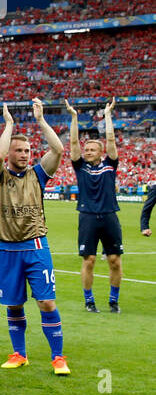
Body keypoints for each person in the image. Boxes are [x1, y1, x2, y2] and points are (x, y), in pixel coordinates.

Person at [0, 99, 68, 375]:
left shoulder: (38, 175)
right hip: (6, 248)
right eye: (19, 150)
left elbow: (58, 150)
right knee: (13, 303)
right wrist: (9, 124)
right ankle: (19, 353)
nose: (24, 154)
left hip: (35, 245)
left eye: (27, 150)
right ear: (9, 151)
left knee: (46, 301)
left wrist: (41, 120)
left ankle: (58, 357)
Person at [67, 98, 122, 313]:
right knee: (89, 260)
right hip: (87, 216)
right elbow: (72, 144)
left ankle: (113, 300)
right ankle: (89, 301)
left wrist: (107, 115)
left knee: (115, 260)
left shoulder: (110, 165)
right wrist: (74, 117)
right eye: (86, 148)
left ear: (101, 152)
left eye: (92, 149)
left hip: (109, 215)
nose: (88, 151)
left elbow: (110, 139)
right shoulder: (80, 167)